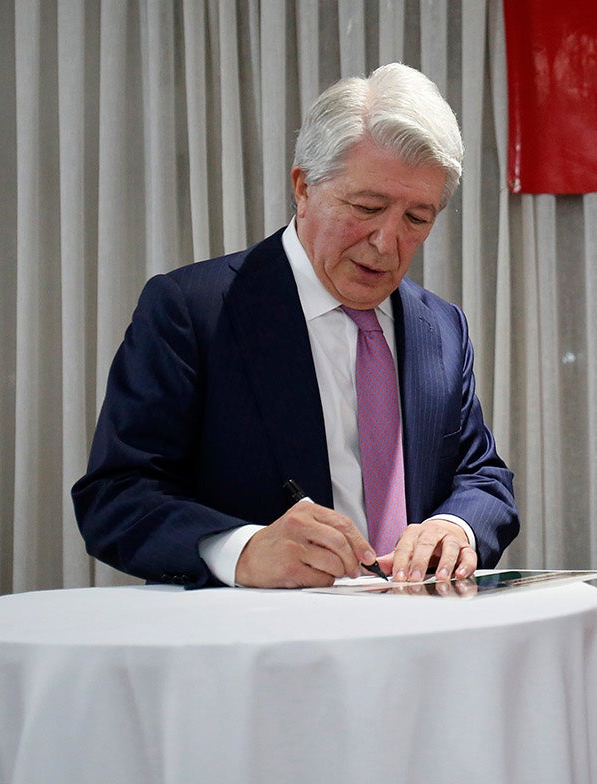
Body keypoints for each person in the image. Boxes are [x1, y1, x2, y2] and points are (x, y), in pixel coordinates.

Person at [73, 63, 518, 589]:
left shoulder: (441, 326)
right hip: (256, 649)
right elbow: (117, 494)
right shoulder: (191, 310)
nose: (387, 242)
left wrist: (455, 525)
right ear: (303, 186)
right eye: (367, 206)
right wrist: (240, 548)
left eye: (416, 219)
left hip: (418, 642)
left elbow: (482, 475)